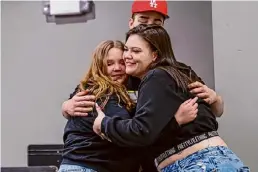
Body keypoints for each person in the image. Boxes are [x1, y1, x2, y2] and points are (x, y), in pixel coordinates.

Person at [93, 24, 250, 172]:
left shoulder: (156, 76)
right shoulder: (176, 73)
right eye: (126, 49)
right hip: (214, 160)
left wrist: (104, 123)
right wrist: (175, 121)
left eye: (136, 51)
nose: (127, 56)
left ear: (154, 55)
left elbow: (141, 131)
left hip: (198, 163)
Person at [61, 0, 224, 119]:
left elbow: (217, 111)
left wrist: (215, 98)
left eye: (156, 23)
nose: (149, 27)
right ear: (131, 23)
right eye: (143, 20)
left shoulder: (178, 71)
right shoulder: (120, 63)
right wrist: (66, 107)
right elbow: (85, 93)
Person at [59, 40, 198, 172]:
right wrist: (176, 121)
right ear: (99, 67)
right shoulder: (101, 91)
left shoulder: (127, 88)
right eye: (109, 63)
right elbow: (133, 134)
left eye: (122, 62)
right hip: (88, 166)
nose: (117, 68)